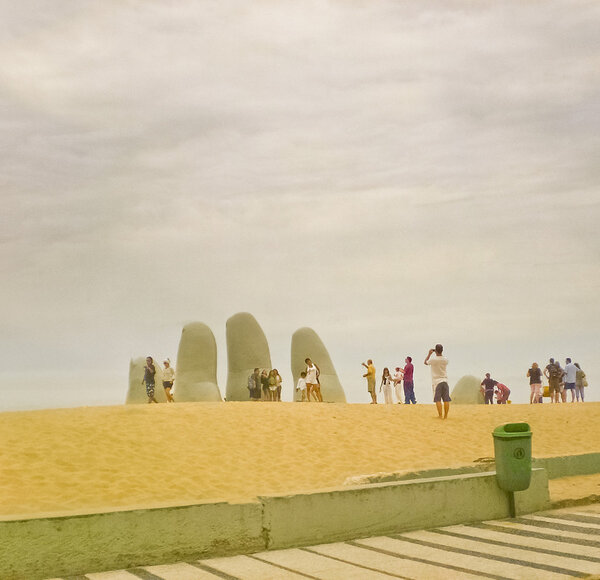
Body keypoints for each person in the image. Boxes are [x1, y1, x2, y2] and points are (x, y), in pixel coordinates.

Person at [424, 344, 450, 419]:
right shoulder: (445, 359)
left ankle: (440, 415)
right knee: (446, 399)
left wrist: (429, 354)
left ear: (435, 350)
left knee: (438, 399)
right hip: (445, 380)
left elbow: (425, 362)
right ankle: (445, 416)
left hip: (437, 381)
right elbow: (443, 359)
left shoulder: (434, 360)